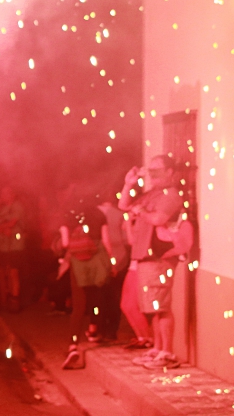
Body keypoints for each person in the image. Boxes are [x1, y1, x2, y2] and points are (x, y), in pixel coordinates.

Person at [119, 155, 187, 369]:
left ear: (170, 172)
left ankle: (167, 353)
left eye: (158, 170)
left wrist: (141, 212)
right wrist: (128, 183)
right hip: (144, 255)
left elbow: (158, 219)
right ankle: (157, 349)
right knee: (153, 307)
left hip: (159, 257)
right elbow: (123, 205)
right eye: (151, 170)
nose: (153, 175)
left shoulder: (172, 195)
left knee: (162, 306)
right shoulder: (151, 194)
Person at [58, 199, 112, 369]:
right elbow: (106, 240)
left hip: (78, 262)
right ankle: (94, 330)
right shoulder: (99, 214)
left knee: (79, 304)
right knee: (97, 296)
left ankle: (73, 344)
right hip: (97, 259)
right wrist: (110, 262)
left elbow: (66, 243)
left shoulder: (68, 216)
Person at [96, 192, 132, 342]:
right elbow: (126, 239)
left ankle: (100, 329)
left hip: (99, 260)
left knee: (101, 296)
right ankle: (112, 331)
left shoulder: (93, 212)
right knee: (115, 296)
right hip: (119, 257)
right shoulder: (120, 214)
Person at [0, 186, 26, 312]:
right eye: (2, 193)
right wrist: (2, 228)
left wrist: (2, 227)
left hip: (16, 245)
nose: (3, 195)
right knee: (8, 272)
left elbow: (12, 223)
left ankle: (15, 300)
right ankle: (10, 297)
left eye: (6, 193)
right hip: (4, 246)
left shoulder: (17, 206)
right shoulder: (0, 210)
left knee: (13, 272)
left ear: (12, 194)